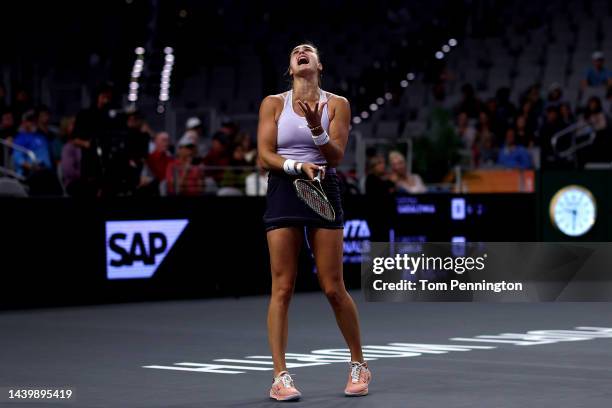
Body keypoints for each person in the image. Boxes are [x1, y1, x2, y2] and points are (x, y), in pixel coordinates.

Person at [257, 43, 371, 401]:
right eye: (295, 52)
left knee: (333, 287)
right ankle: (280, 377)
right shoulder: (273, 103)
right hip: (284, 189)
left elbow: (335, 156)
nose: (302, 51)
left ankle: (359, 364)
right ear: (291, 69)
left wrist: (315, 127)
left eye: (309, 50)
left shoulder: (337, 104)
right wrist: (295, 166)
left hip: (323, 188)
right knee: (283, 287)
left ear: (319, 65)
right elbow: (264, 156)